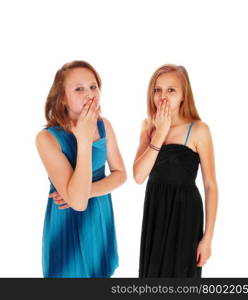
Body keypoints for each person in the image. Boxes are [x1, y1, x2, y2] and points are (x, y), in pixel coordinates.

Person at [35, 60, 127, 278]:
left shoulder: (105, 125)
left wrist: (87, 192)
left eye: (93, 86)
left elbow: (120, 174)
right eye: (79, 88)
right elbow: (77, 204)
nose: (90, 93)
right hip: (66, 221)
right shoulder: (47, 138)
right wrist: (83, 139)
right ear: (63, 98)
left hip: (98, 215)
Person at [133, 64, 218, 278]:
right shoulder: (148, 127)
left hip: (185, 214)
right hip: (155, 211)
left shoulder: (199, 130)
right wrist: (159, 133)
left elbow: (210, 185)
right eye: (157, 89)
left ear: (183, 95)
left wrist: (207, 238)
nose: (163, 97)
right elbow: (139, 176)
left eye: (171, 90)